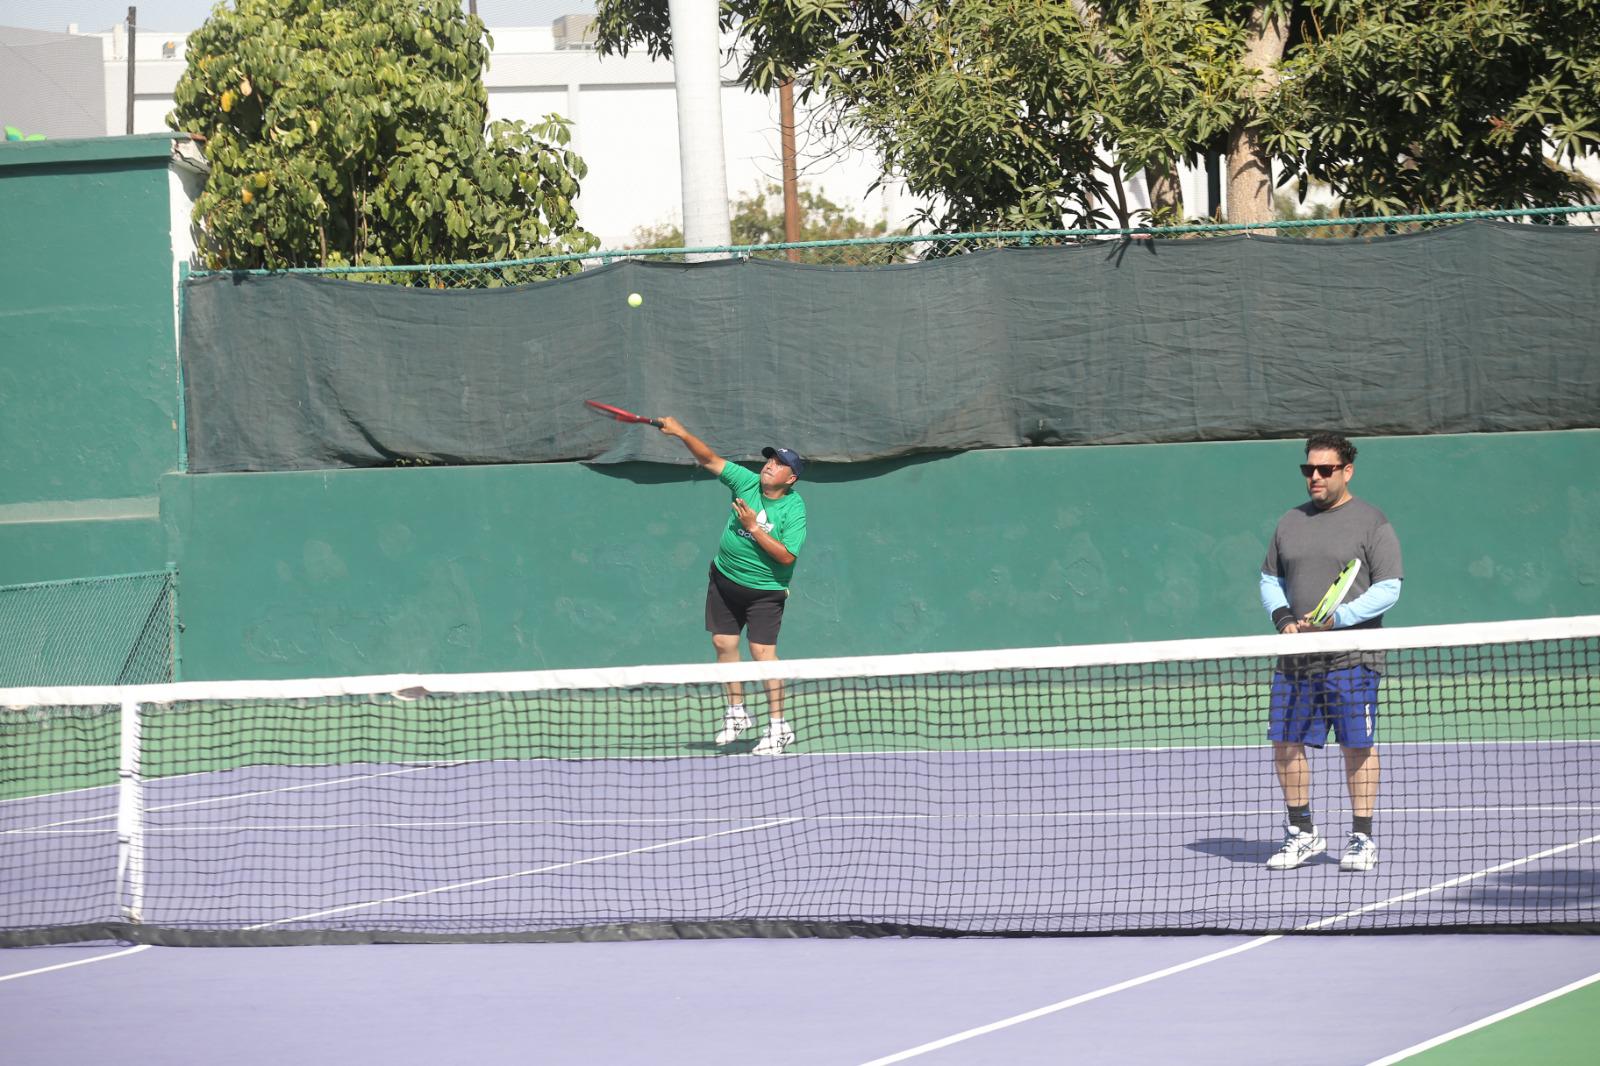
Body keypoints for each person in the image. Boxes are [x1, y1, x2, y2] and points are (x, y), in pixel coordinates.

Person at [1259, 433, 1403, 872]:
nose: (1315, 477)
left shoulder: (1372, 522)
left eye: (1325, 470)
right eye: (1309, 470)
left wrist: (1338, 621)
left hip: (1351, 659)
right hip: (1297, 660)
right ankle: (1302, 833)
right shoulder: (1289, 522)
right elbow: (1269, 578)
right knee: (1286, 744)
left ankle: (1362, 838)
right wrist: (1283, 617)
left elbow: (1389, 588)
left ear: (1347, 471)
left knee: (1357, 747)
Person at [657, 417, 808, 755]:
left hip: (765, 591)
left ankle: (779, 728)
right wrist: (682, 432)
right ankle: (737, 713)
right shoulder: (746, 482)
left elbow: (786, 557)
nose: (770, 466)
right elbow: (709, 459)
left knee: (762, 654)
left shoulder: (794, 509)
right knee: (723, 643)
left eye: (779, 465)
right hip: (725, 579)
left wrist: (753, 527)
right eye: (770, 460)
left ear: (791, 478)